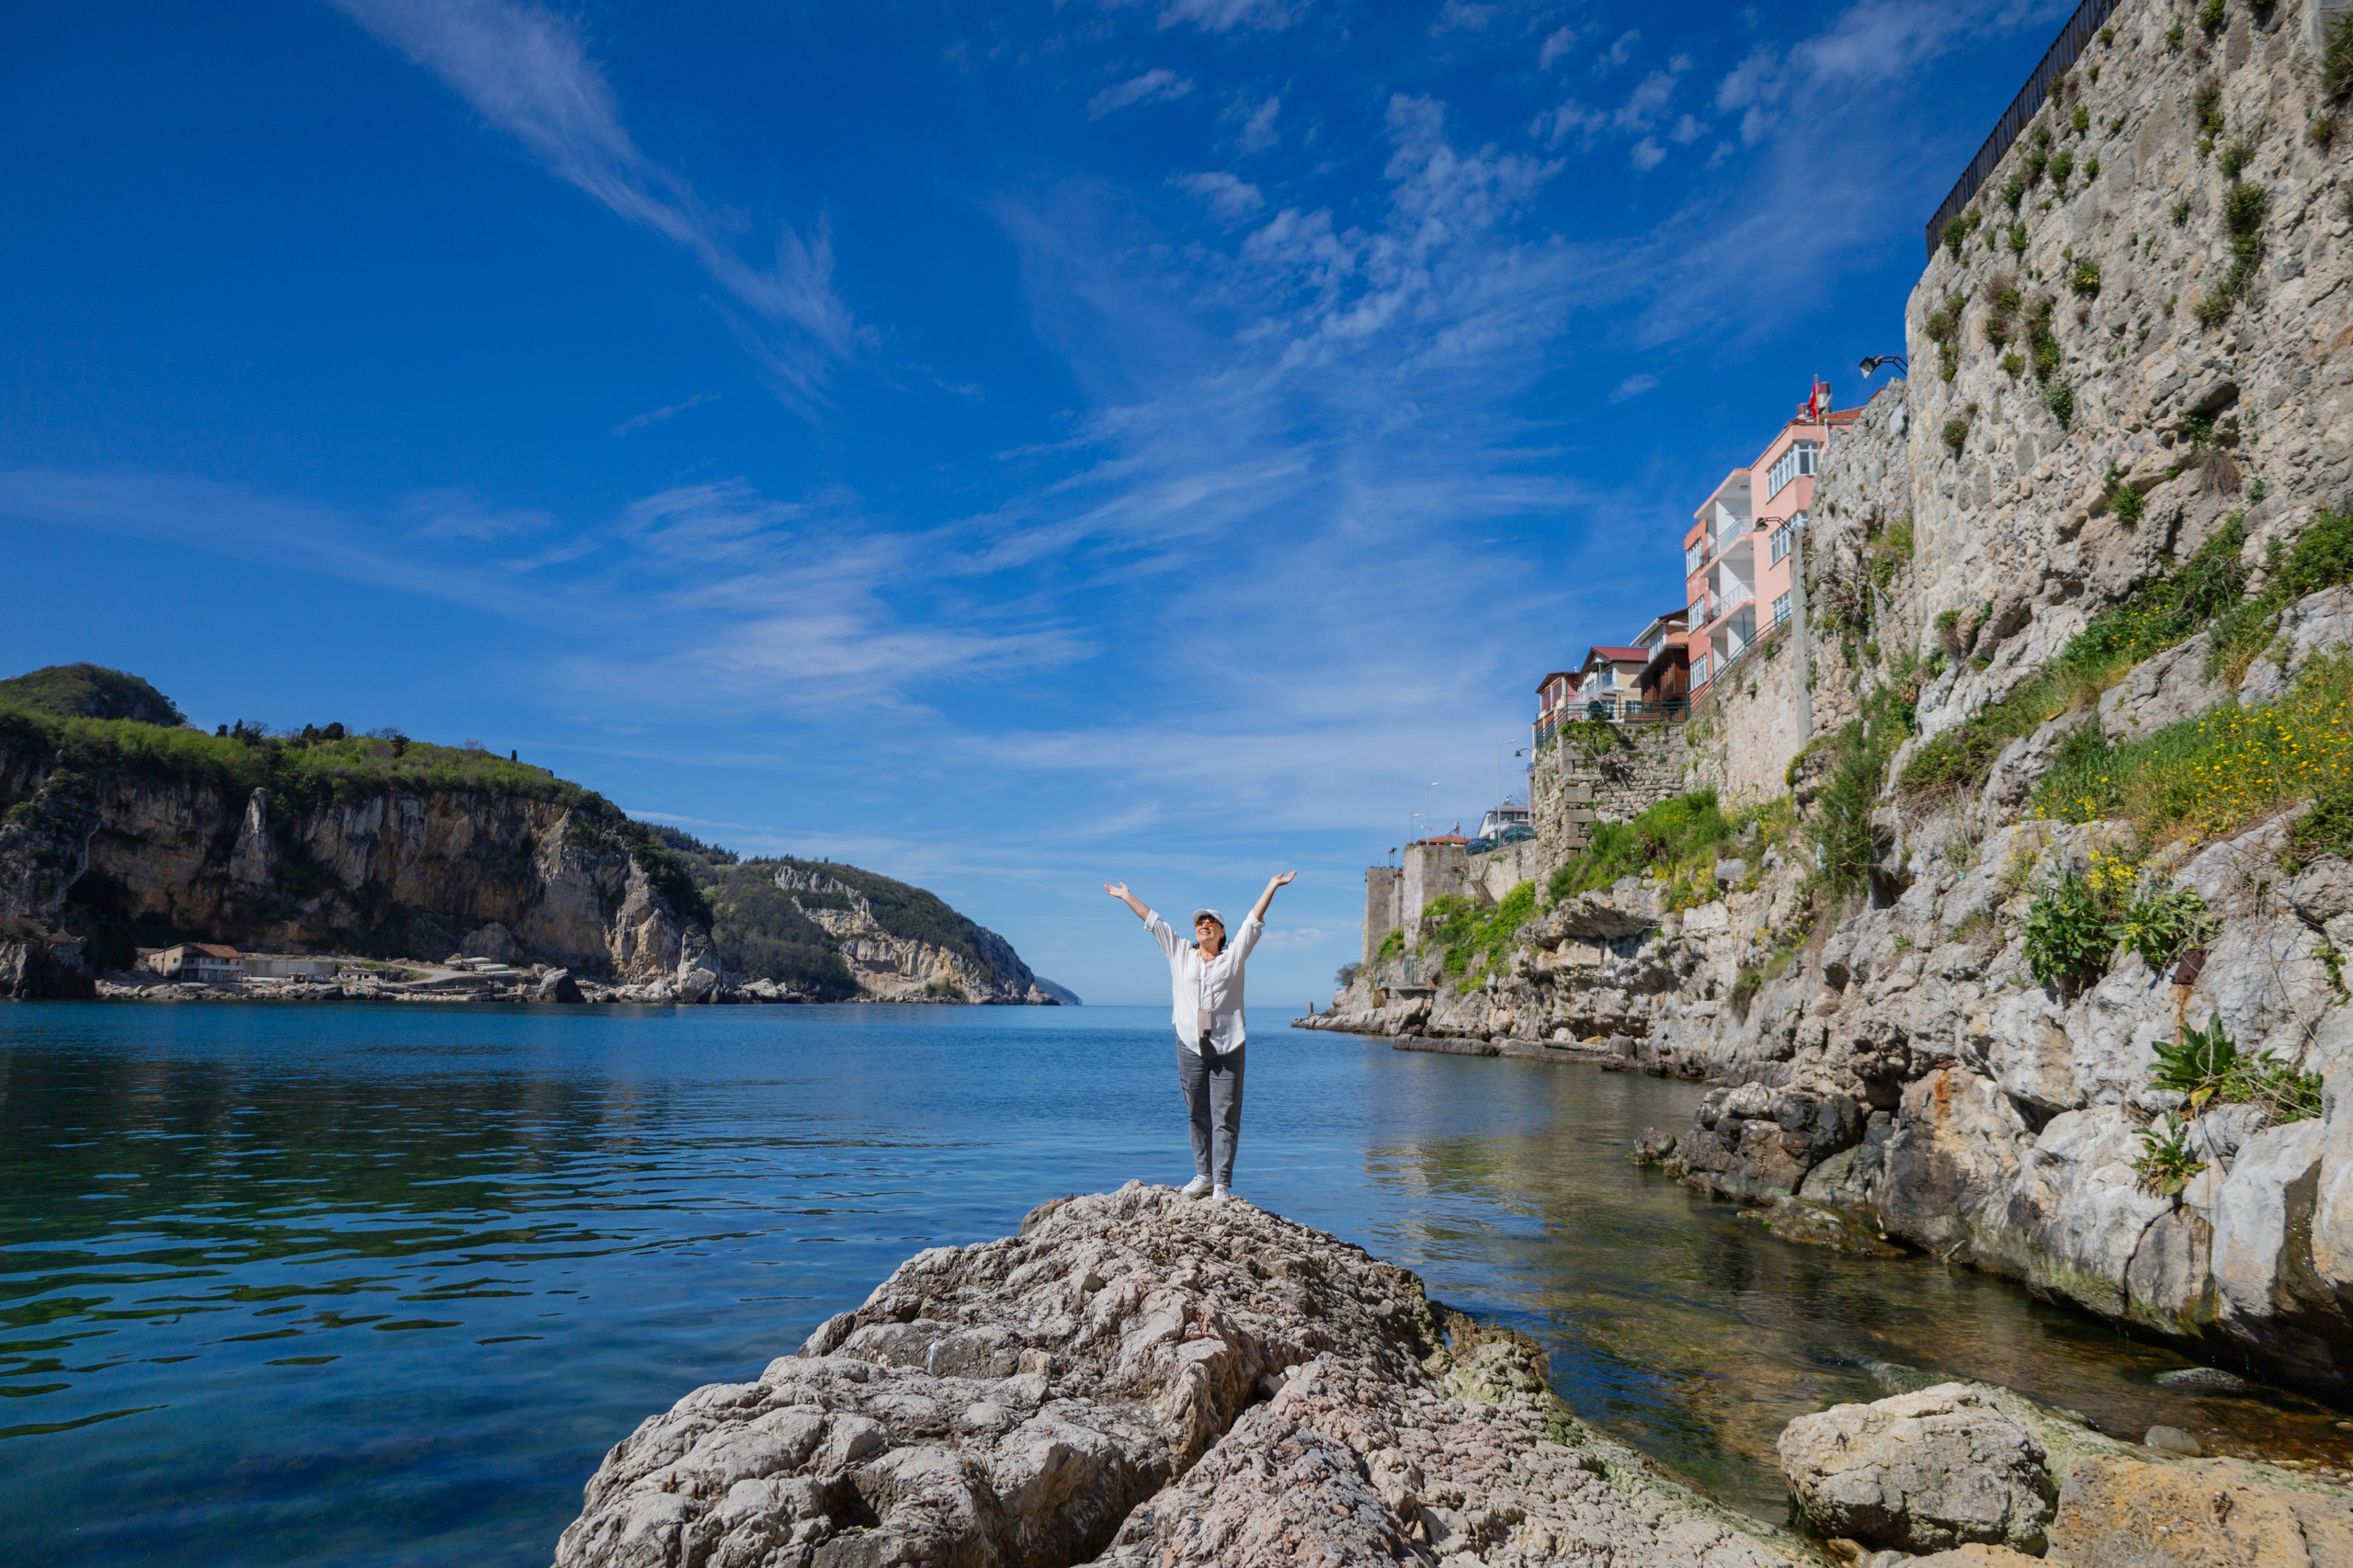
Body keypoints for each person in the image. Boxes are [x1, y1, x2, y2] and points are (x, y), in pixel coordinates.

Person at [1103, 870, 1296, 1203]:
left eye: (1211, 922)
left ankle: (1221, 1182)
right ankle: (1203, 1176)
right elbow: (1155, 922)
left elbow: (1253, 920)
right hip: (1190, 1045)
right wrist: (1126, 896)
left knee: (1226, 1116)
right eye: (1199, 923)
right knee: (1196, 1112)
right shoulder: (1180, 953)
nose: (1204, 925)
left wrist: (1271, 885)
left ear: (1221, 931)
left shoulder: (1234, 955)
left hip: (1228, 1044)